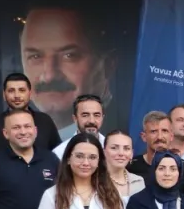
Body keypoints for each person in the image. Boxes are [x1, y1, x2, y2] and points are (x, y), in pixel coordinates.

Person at [19, 7, 115, 140]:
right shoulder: (13, 137)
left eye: (69, 55)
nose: (49, 76)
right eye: (35, 56)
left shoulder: (128, 138)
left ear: (108, 65)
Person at [0, 73, 61, 173]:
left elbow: (59, 156)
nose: (17, 96)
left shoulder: (45, 121)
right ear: (4, 95)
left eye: (22, 90)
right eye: (11, 91)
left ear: (30, 94)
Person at [127, 111, 184, 196]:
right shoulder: (130, 166)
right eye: (153, 131)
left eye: (164, 131)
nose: (159, 137)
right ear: (144, 137)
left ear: (171, 136)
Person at [52, 95, 104, 159]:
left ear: (102, 118)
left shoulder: (111, 149)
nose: (91, 121)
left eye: (96, 115)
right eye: (85, 115)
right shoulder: (60, 152)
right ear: (75, 119)